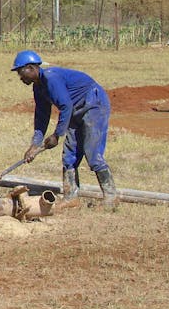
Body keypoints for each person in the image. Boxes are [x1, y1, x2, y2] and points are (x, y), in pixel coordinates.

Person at [11, 50, 118, 208]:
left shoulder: (51, 78)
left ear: (32, 68)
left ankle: (111, 197)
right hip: (75, 111)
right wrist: (35, 144)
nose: (21, 77)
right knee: (69, 156)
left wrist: (57, 135)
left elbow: (65, 106)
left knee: (92, 153)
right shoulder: (38, 88)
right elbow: (42, 116)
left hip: (93, 105)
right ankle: (71, 197)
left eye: (22, 72)